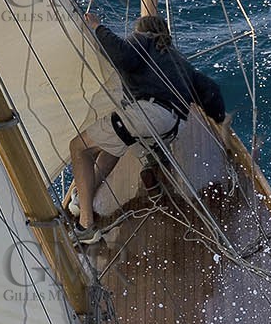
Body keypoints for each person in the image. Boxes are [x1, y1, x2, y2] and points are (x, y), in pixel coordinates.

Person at [70, 12, 226, 237]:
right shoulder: (179, 60)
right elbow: (212, 92)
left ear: (142, 29)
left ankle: (85, 226)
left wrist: (97, 27)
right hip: (173, 127)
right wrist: (219, 119)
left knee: (79, 147)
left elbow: (123, 56)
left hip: (149, 115)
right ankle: (90, 192)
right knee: (112, 146)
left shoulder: (143, 40)